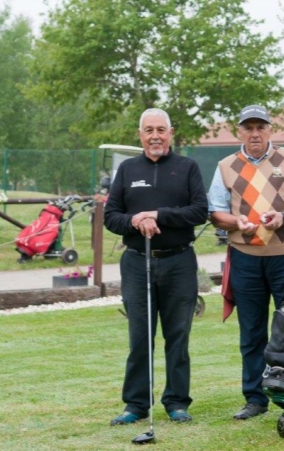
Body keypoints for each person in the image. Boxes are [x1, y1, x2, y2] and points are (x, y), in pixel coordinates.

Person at [208, 104, 284, 420]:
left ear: (270, 129)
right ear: (239, 131)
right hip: (246, 258)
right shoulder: (226, 165)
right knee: (252, 332)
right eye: (248, 127)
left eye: (261, 127)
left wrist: (283, 216)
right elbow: (214, 211)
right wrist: (235, 222)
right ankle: (255, 398)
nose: (255, 133)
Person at [104, 108, 209, 425]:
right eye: (149, 130)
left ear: (171, 133)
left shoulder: (187, 168)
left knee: (178, 336)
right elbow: (111, 217)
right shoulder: (126, 169)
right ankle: (136, 405)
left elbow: (199, 211)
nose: (155, 136)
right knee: (140, 337)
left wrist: (158, 215)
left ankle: (177, 402)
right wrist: (135, 220)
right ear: (140, 135)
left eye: (161, 130)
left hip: (178, 261)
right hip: (137, 263)